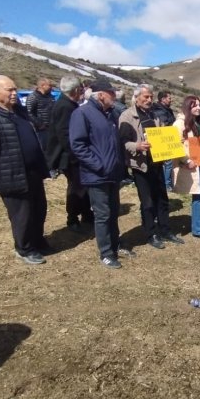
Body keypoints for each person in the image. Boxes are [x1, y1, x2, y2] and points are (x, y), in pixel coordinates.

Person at [0, 75, 50, 264]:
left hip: (32, 172)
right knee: (22, 215)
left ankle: (37, 240)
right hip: (10, 174)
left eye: (15, 89)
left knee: (39, 209)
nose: (14, 93)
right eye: (9, 90)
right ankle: (24, 248)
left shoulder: (19, 113)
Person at [69, 79, 130, 268]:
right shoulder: (82, 113)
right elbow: (78, 145)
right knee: (103, 214)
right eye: (111, 93)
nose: (115, 97)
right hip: (98, 174)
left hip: (113, 172)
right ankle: (106, 252)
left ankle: (115, 243)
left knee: (113, 212)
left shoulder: (109, 114)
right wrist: (99, 165)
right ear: (101, 94)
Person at [118, 84, 185, 249]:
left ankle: (165, 230)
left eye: (151, 97)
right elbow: (123, 142)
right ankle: (151, 233)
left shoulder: (154, 115)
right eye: (146, 97)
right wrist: (137, 146)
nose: (149, 100)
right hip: (141, 166)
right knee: (147, 202)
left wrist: (175, 141)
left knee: (162, 199)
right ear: (137, 97)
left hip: (157, 163)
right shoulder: (127, 116)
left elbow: (163, 135)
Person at [45, 75, 93, 233]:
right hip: (70, 156)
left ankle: (86, 214)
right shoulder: (65, 106)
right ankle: (72, 218)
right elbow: (64, 135)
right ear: (76, 90)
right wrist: (77, 155)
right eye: (80, 89)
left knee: (84, 186)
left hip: (74, 154)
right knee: (76, 188)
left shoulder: (69, 104)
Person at [172, 96, 200, 241]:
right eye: (194, 105)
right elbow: (176, 145)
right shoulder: (179, 124)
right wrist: (186, 160)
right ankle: (199, 228)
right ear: (187, 107)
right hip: (192, 166)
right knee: (198, 195)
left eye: (199, 105)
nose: (198, 108)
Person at [151, 90, 176, 191]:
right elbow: (164, 126)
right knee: (168, 163)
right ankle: (167, 184)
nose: (171, 100)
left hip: (168, 138)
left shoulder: (165, 110)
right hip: (164, 139)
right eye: (169, 98)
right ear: (163, 99)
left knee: (168, 163)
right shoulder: (160, 111)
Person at [25, 77, 55, 150]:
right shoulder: (33, 97)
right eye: (49, 85)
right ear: (42, 85)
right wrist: (40, 124)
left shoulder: (50, 96)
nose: (51, 87)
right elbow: (29, 113)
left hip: (51, 127)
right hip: (40, 129)